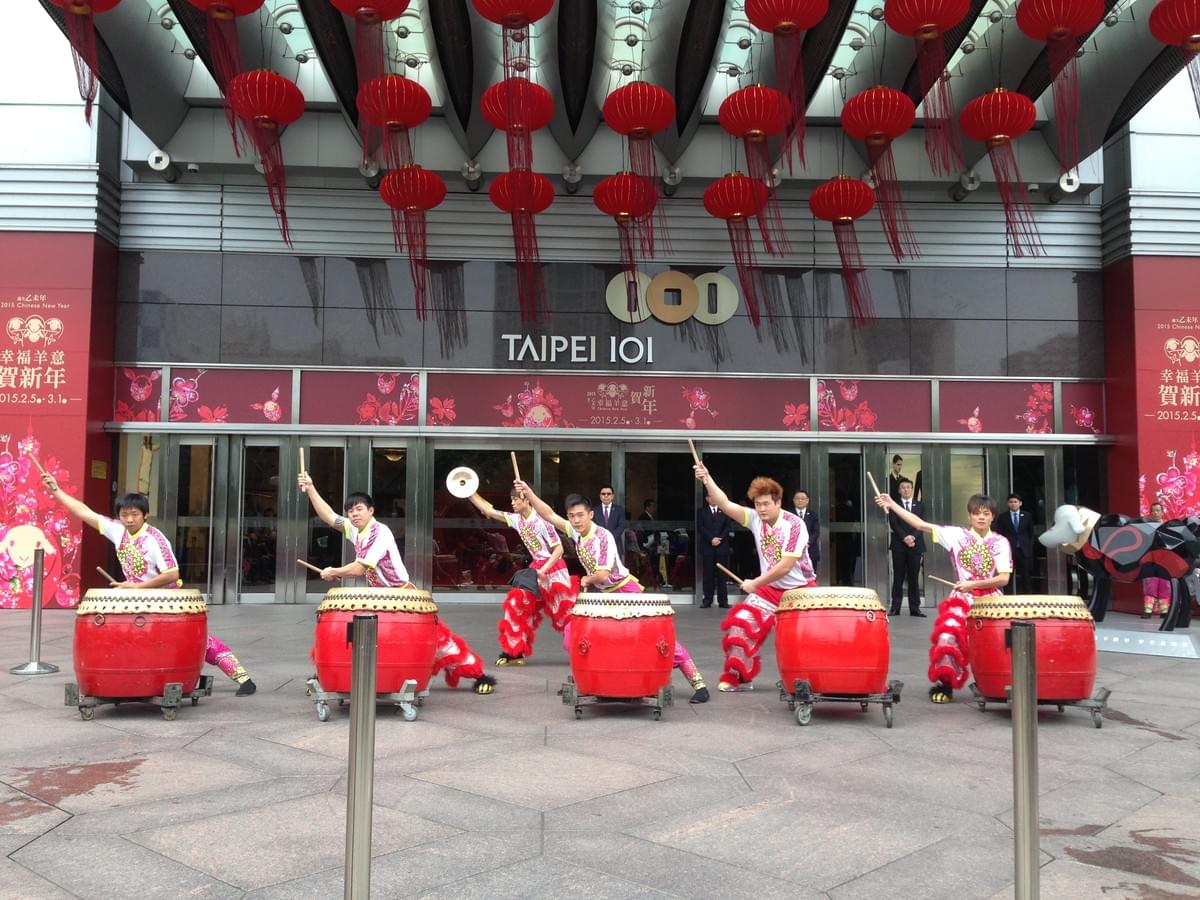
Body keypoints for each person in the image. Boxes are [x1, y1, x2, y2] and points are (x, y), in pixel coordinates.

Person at [41, 478, 257, 696]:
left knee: (201, 642)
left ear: (145, 515)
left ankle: (244, 678)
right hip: (136, 601)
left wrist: (138, 587)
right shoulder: (117, 530)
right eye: (124, 515)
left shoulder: (155, 539)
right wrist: (57, 490)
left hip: (166, 601)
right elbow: (84, 512)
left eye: (134, 514)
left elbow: (172, 574)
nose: (129, 519)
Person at [299, 474, 496, 694]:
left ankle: (479, 675)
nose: (353, 514)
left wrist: (334, 572)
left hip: (402, 597)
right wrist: (311, 488)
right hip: (376, 599)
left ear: (371, 510)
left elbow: (360, 568)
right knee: (349, 636)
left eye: (358, 509)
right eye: (350, 511)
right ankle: (325, 675)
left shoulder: (379, 532)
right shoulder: (355, 529)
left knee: (440, 643)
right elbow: (329, 516)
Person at [513, 480, 709, 703]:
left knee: (656, 639)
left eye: (580, 515)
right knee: (573, 634)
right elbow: (548, 514)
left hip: (626, 591)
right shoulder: (575, 532)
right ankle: (590, 681)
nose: (576, 520)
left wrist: (584, 579)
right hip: (604, 595)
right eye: (571, 516)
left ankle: (698, 683)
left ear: (591, 515)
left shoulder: (603, 537)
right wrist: (528, 492)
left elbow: (603, 575)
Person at [875, 490, 1011, 704]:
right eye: (977, 513)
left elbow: (1003, 579)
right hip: (961, 598)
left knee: (999, 641)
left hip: (990, 599)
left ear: (993, 516)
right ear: (969, 516)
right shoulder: (956, 535)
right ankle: (945, 684)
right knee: (947, 637)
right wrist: (892, 504)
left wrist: (973, 584)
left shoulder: (1000, 542)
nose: (981, 517)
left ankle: (998, 683)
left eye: (986, 513)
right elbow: (920, 525)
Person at [693, 464, 815, 692]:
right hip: (769, 591)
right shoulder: (754, 519)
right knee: (740, 626)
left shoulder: (795, 525)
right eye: (758, 504)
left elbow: (785, 566)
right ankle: (740, 676)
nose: (761, 509)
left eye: (766, 503)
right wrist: (707, 478)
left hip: (800, 591)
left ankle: (806, 682)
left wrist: (754, 583)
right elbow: (725, 503)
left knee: (800, 641)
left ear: (778, 502)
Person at [466, 486, 575, 665]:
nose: (512, 503)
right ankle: (515, 652)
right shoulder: (516, 519)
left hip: (554, 570)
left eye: (516, 499)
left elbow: (559, 549)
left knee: (566, 614)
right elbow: (488, 511)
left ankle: (581, 651)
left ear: (526, 500)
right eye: (512, 499)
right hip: (535, 569)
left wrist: (544, 570)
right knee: (518, 604)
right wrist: (468, 492)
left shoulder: (543, 520)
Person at [888, 477, 926, 616]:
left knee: (913, 578)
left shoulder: (919, 505)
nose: (906, 489)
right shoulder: (894, 505)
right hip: (899, 545)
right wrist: (905, 537)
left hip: (916, 546)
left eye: (908, 487)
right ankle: (895, 607)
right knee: (898, 577)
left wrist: (913, 537)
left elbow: (921, 524)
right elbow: (894, 524)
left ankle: (915, 608)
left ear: (912, 489)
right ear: (899, 490)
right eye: (903, 487)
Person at [697, 492, 733, 609]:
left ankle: (723, 601)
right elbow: (700, 527)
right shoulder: (702, 511)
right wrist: (711, 539)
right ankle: (707, 600)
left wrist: (720, 538)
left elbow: (728, 527)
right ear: (707, 499)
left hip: (722, 548)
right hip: (708, 547)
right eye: (710, 496)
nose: (713, 498)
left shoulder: (724, 510)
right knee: (708, 575)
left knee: (722, 575)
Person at [995, 493, 1036, 594]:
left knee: (1026, 577)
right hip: (1008, 552)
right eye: (1011, 502)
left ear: (1020, 503)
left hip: (1024, 551)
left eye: (1015, 502)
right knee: (1008, 578)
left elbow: (1031, 533)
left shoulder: (1027, 515)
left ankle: (1028, 599)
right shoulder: (1002, 517)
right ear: (1008, 504)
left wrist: (1029, 547)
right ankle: (1008, 599)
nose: (1013, 504)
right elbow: (999, 534)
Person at [1141, 502, 1171, 619]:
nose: (1155, 512)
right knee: (1150, 584)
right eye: (1153, 510)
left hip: (1164, 560)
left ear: (1162, 512)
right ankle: (1147, 611)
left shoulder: (1167, 527)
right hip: (1150, 559)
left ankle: (1165, 611)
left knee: (1165, 585)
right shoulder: (1146, 527)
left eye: (1158, 510)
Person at [594, 486, 625, 560]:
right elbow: (593, 527)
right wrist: (602, 539)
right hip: (599, 546)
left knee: (615, 571)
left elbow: (621, 526)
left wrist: (609, 539)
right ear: (600, 496)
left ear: (612, 496)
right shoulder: (594, 510)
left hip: (615, 544)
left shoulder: (619, 510)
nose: (606, 496)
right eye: (603, 494)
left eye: (608, 493)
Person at [792, 489, 820, 572]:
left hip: (810, 550)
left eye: (802, 498)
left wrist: (808, 543)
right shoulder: (788, 514)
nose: (800, 500)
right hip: (793, 551)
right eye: (797, 498)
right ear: (793, 500)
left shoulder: (813, 514)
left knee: (811, 574)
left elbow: (816, 532)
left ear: (807, 501)